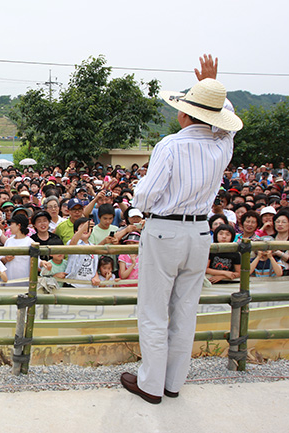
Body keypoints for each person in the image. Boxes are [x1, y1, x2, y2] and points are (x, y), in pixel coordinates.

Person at [121, 55, 243, 404]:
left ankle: (151, 384)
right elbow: (227, 125)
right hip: (200, 233)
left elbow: (146, 195)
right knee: (186, 310)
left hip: (164, 232)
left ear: (186, 112)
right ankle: (173, 382)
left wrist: (138, 195)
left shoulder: (171, 145)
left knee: (154, 311)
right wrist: (215, 88)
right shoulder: (222, 146)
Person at [1, 213, 32, 281]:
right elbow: (2, 258)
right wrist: (6, 259)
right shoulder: (8, 241)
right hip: (9, 278)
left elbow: (36, 261)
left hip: (24, 279)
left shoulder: (30, 242)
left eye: (12, 224)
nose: (10, 227)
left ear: (19, 225)